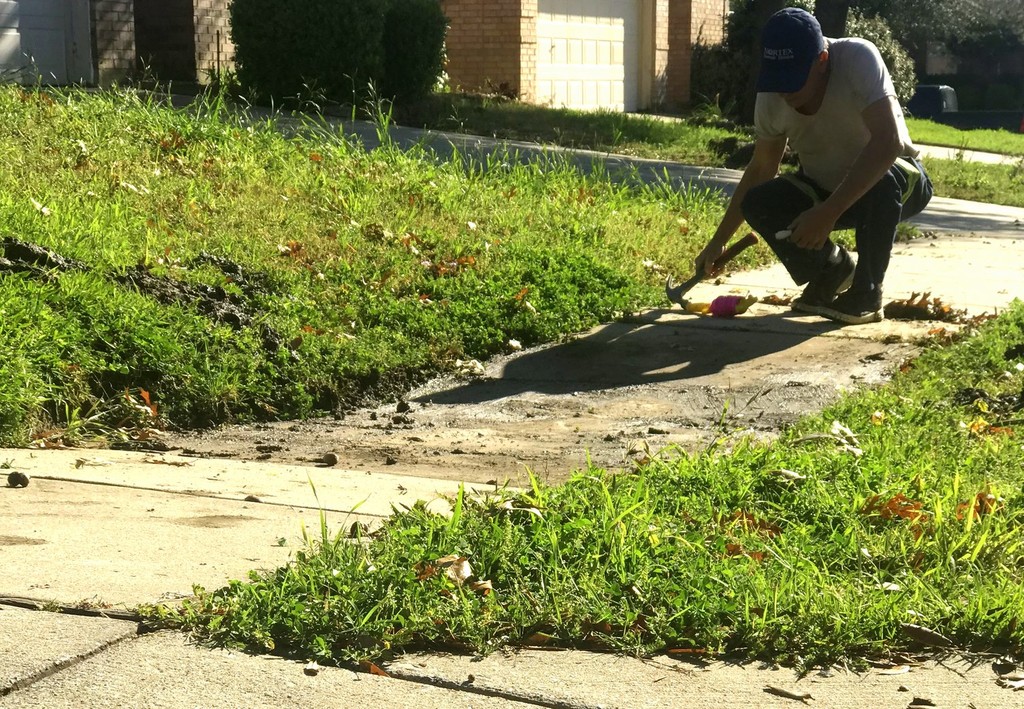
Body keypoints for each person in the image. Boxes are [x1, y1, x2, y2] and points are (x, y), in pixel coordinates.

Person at [695, 7, 932, 324]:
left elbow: (887, 143)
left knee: (882, 179)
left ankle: (867, 293)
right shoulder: (772, 96)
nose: (785, 91)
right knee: (759, 201)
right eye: (777, 79)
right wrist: (717, 241)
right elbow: (762, 168)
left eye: (792, 79)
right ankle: (833, 269)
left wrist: (828, 213)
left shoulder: (857, 59)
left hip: (900, 182)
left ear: (821, 61)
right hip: (826, 187)